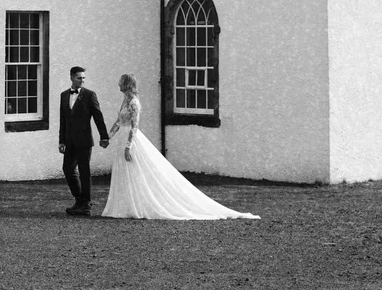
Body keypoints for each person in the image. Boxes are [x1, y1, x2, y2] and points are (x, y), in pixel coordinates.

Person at [102, 74, 259, 220]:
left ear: (127, 85)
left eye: (121, 83)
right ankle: (125, 206)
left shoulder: (134, 102)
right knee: (124, 172)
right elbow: (118, 121)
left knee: (135, 171)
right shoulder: (124, 100)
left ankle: (138, 205)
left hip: (130, 140)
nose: (118, 85)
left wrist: (128, 146)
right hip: (121, 138)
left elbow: (134, 126)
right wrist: (108, 137)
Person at [58, 66, 109, 217]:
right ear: (71, 78)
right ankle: (80, 200)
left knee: (84, 172)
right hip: (69, 141)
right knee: (67, 169)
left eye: (84, 78)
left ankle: (85, 204)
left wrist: (104, 136)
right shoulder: (64, 95)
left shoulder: (89, 95)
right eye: (79, 78)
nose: (82, 81)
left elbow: (98, 117)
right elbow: (63, 120)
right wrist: (61, 141)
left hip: (84, 140)